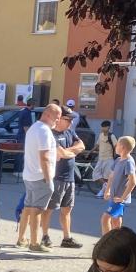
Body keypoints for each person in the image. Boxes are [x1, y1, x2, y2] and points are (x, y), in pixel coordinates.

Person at [19, 102, 61, 252]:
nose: (58, 120)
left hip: (29, 174)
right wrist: (48, 178)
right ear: (48, 115)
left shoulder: (34, 128)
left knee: (28, 207)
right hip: (40, 176)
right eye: (57, 117)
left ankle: (21, 239)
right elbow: (44, 157)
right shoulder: (44, 131)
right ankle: (34, 243)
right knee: (36, 209)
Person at [45, 106, 85, 249]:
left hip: (70, 177)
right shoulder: (51, 134)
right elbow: (59, 154)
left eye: (72, 120)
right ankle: (45, 236)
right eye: (68, 119)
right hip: (56, 177)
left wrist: (68, 152)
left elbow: (81, 146)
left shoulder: (70, 131)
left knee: (67, 209)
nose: (70, 122)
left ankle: (66, 238)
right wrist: (71, 151)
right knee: (49, 208)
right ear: (60, 118)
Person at [102, 135, 136, 235]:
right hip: (114, 196)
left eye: (117, 145)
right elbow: (111, 176)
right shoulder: (118, 160)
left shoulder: (129, 162)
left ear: (122, 147)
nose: (115, 147)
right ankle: (116, 242)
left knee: (105, 219)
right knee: (116, 221)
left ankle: (106, 242)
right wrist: (107, 190)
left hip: (118, 198)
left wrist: (123, 198)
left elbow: (133, 181)